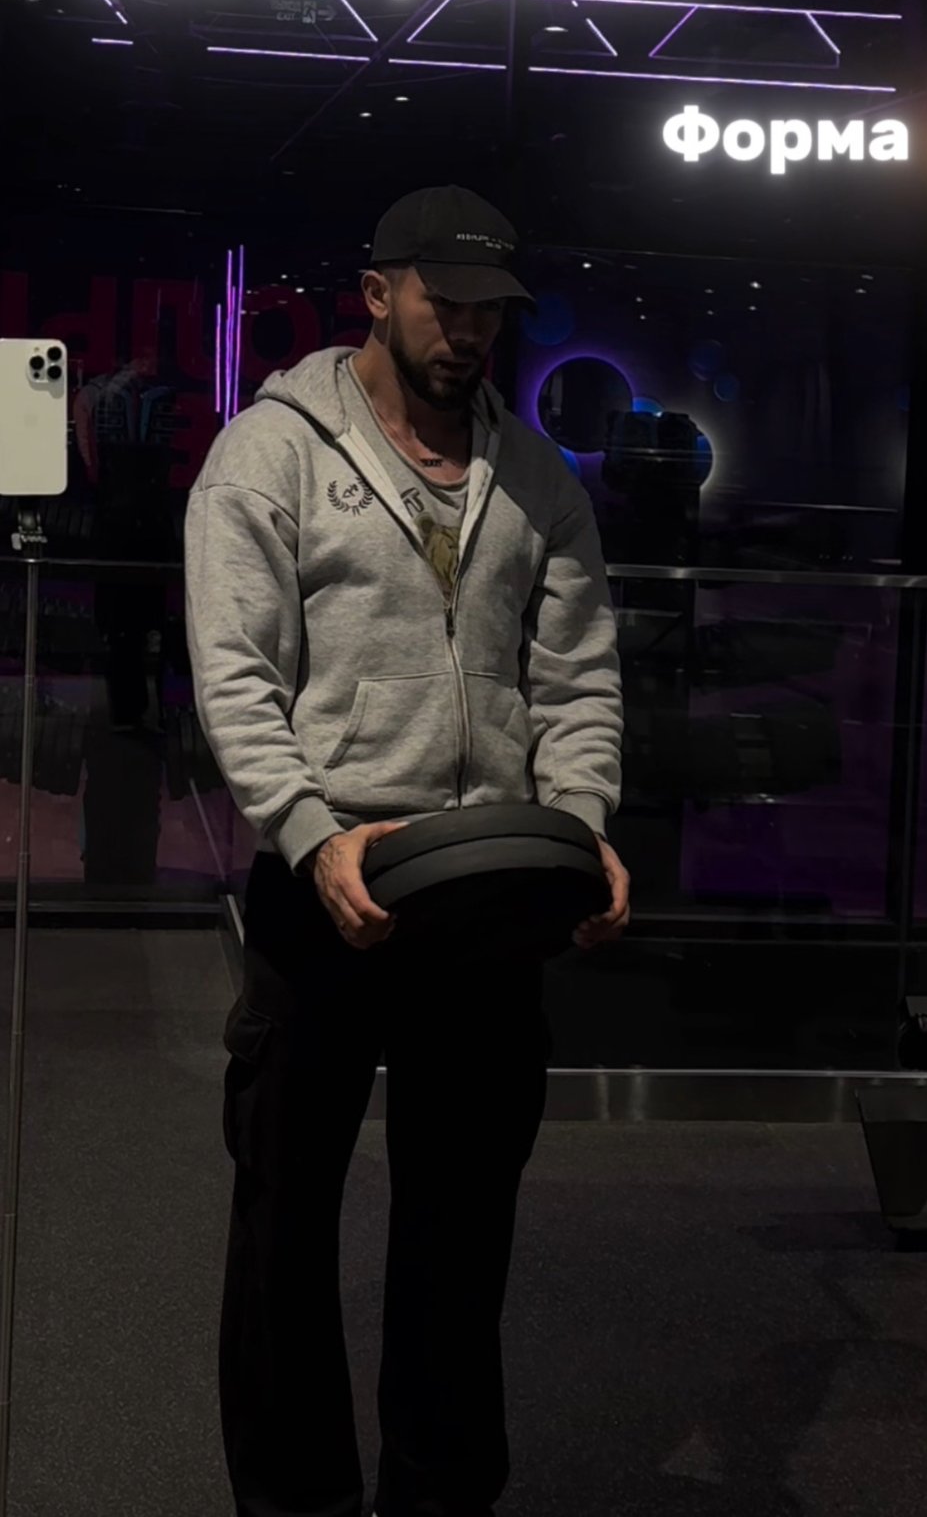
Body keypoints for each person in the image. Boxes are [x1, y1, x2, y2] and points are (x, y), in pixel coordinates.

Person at [183, 185, 630, 1517]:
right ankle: (296, 1502)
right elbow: (236, 676)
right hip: (325, 885)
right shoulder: (269, 453)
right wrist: (309, 833)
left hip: (485, 894)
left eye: (493, 310)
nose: (471, 331)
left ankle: (439, 1494)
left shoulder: (536, 477)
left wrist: (581, 826)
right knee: (285, 1219)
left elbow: (577, 677)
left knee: (461, 1222)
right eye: (448, 302)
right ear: (377, 294)